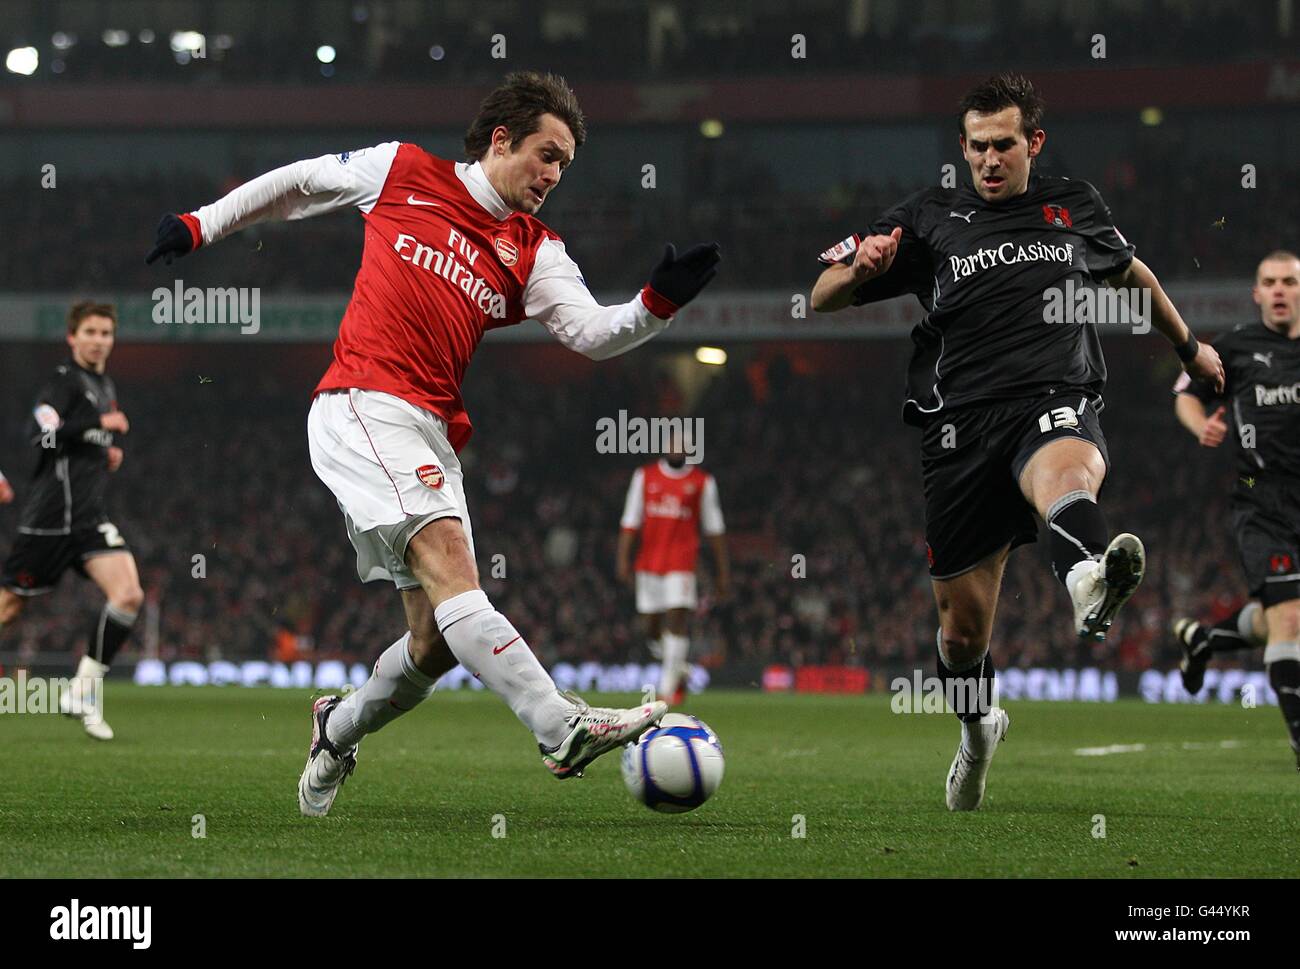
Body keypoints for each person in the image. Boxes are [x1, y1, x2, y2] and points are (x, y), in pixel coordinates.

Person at [145, 71, 722, 816]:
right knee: (454, 571)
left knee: (435, 640)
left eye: (565, 166)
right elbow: (301, 183)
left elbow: (591, 331)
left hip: (429, 429)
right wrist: (202, 223)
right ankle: (560, 726)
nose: (553, 175)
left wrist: (655, 304)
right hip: (360, 401)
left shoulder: (534, 249)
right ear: (501, 138)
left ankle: (337, 726)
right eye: (546, 154)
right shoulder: (403, 170)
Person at [810, 72, 1223, 810]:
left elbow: (1134, 277)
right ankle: (977, 730)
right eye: (977, 147)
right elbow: (819, 295)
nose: (990, 160)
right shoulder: (928, 216)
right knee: (961, 635)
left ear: (1033, 142)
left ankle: (1089, 581)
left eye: (1004, 144)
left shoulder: (1074, 206)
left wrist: (1190, 349)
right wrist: (859, 269)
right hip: (959, 431)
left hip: (1053, 395)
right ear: (962, 148)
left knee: (1067, 474)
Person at [1171, 250, 1300, 768]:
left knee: (1278, 622)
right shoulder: (1238, 347)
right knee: (1290, 617)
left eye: (1289, 282)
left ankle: (1203, 639)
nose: (1279, 290)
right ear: (1256, 292)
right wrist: (1200, 422)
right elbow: (1184, 391)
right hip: (1263, 501)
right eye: (1269, 282)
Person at [0, 301, 143, 741]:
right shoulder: (62, 384)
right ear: (72, 337)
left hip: (87, 521)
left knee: (129, 594)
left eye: (106, 333)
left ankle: (81, 691)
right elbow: (39, 435)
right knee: (9, 607)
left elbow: (81, 440)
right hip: (50, 521)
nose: (100, 341)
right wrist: (97, 425)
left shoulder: (103, 384)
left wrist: (105, 452)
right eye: (91, 332)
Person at [617, 441, 729, 705]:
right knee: (651, 627)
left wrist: (723, 573)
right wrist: (622, 560)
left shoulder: (702, 482)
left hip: (682, 564)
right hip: (649, 563)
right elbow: (630, 521)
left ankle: (667, 691)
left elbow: (715, 529)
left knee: (677, 618)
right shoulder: (645, 477)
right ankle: (679, 668)